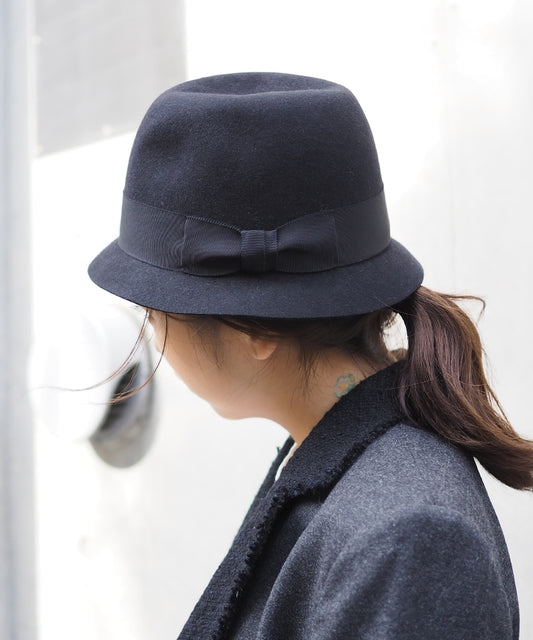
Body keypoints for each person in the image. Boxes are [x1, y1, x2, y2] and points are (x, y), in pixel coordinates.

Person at [88, 72, 532, 639]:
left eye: (155, 309)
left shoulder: (409, 535)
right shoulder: (334, 465)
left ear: (255, 328)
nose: (152, 335)